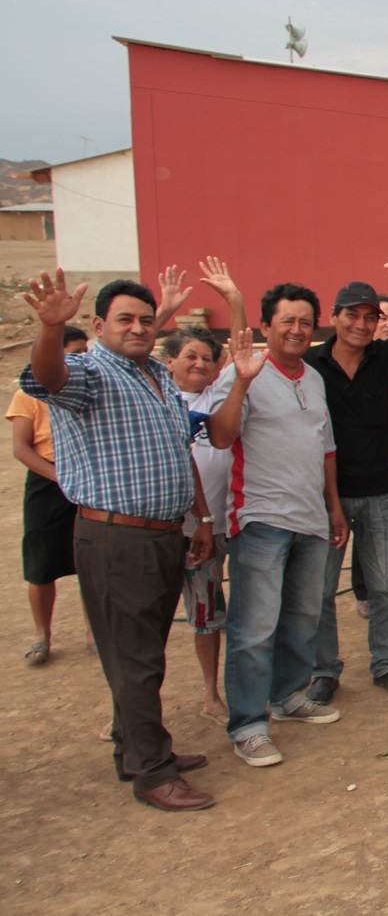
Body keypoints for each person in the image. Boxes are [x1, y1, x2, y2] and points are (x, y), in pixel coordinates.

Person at [21, 271, 218, 810]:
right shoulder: (88, 372)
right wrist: (50, 327)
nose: (137, 328)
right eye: (124, 319)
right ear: (97, 325)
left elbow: (178, 451)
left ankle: (134, 749)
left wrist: (199, 518)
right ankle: (153, 773)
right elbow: (46, 376)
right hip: (116, 538)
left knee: (141, 651)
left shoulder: (155, 373)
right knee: (135, 658)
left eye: (146, 320)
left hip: (163, 535)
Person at [205, 275, 347, 768]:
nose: (297, 329)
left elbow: (326, 448)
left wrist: (333, 506)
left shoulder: (313, 378)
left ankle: (288, 695)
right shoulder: (242, 372)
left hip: (311, 519)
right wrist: (242, 381)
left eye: (306, 322)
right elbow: (221, 437)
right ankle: (248, 724)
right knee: (254, 628)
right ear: (266, 326)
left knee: (303, 617)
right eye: (287, 320)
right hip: (260, 518)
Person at [302, 242, 388, 703]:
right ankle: (324, 671)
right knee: (320, 591)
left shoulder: (386, 357)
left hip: (380, 491)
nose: (361, 324)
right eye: (351, 315)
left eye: (369, 317)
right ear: (334, 317)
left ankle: (387, 664)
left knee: (385, 587)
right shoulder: (311, 365)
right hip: (326, 496)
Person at [162, 317, 235, 722]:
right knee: (148, 617)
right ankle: (133, 705)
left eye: (207, 358)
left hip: (212, 526)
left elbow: (238, 358)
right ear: (169, 361)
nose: (199, 364)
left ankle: (211, 693)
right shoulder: (157, 400)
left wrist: (234, 302)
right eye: (190, 356)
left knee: (207, 614)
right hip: (164, 528)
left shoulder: (216, 399)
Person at [10, 325, 90, 666]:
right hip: (48, 482)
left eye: (85, 352)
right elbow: (21, 448)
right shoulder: (29, 393)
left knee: (90, 558)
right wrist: (59, 476)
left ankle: (93, 631)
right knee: (41, 562)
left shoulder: (89, 388)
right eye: (75, 353)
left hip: (87, 477)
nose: (83, 359)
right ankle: (42, 634)